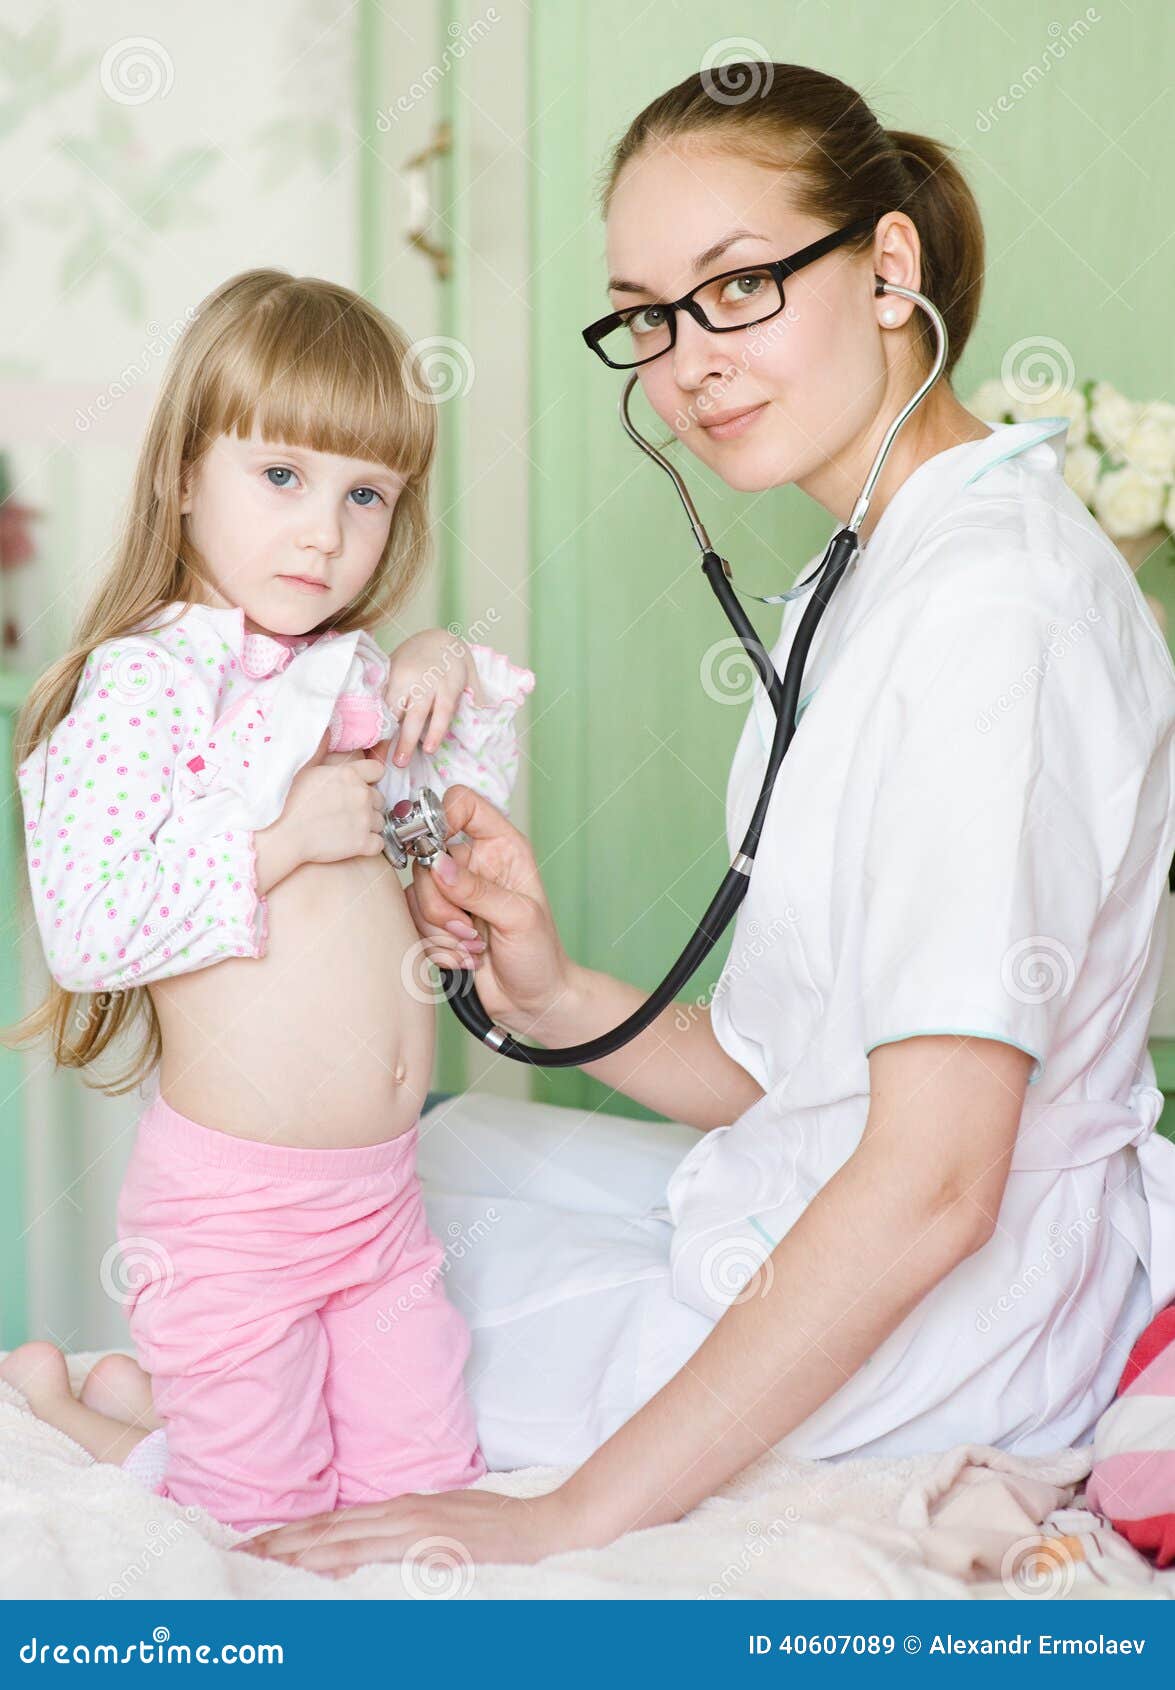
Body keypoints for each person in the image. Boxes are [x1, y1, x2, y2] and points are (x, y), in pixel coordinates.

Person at [14, 61, 1175, 1578]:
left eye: (738, 285)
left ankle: (138, 1447)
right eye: (647, 312)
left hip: (950, 1317)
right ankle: (167, 1420)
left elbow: (934, 1181)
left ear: (889, 269)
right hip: (838, 1194)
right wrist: (558, 994)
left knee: (389, 1374)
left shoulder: (992, 616)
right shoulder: (871, 566)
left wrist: (561, 1513)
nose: (685, 362)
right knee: (433, 1178)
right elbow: (801, 1076)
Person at [0, 267, 535, 1533]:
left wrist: (437, 662)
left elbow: (460, 816)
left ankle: (142, 1407)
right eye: (281, 477)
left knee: (423, 1499)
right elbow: (89, 929)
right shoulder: (144, 688)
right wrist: (278, 842)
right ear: (185, 473)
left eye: (364, 494)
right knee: (264, 1521)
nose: (324, 532)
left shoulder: (350, 673)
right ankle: (81, 1414)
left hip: (383, 1198)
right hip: (234, 1215)